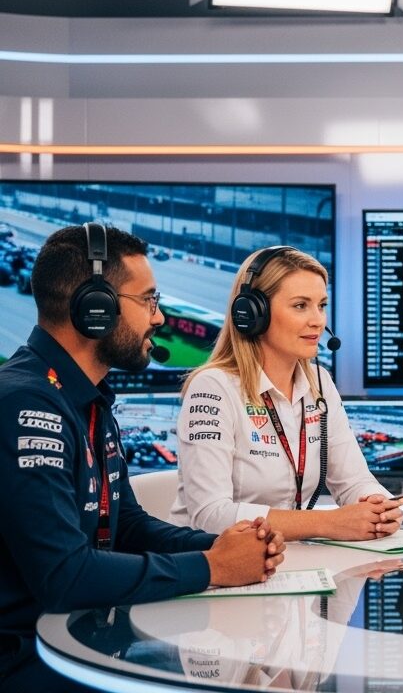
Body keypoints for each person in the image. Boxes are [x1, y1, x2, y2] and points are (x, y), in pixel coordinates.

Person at [0, 223, 285, 692]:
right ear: (96, 309)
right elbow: (65, 576)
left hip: (80, 639)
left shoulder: (84, 398)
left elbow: (126, 526)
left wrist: (221, 544)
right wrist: (213, 568)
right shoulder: (26, 405)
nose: (159, 318)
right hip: (28, 662)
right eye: (149, 300)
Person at [170, 246, 403, 541]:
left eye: (321, 305)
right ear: (254, 313)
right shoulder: (213, 387)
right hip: (216, 569)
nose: (318, 320)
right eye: (300, 305)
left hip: (289, 563)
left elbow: (354, 481)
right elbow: (210, 515)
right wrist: (327, 523)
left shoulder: (320, 382)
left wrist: (377, 506)